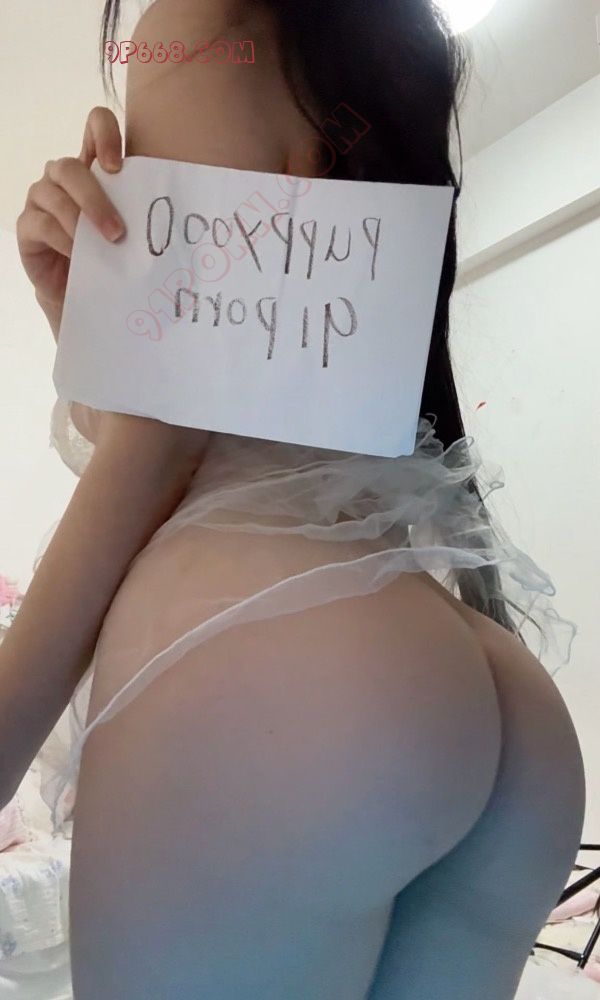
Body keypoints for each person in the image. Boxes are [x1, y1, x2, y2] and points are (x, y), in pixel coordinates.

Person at [1, 0, 585, 997]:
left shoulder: (192, 15)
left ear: (309, 177)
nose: (119, 177)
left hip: (265, 667)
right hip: (514, 717)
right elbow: (215, 445)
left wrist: (146, 407)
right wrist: (94, 333)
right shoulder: (412, 604)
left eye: (150, 149)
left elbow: (169, 453)